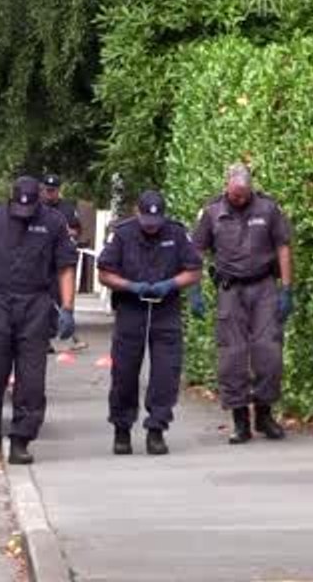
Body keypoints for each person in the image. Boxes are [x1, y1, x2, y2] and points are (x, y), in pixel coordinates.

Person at [0, 176, 77, 465]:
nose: (24, 214)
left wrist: (68, 308)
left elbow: (66, 267)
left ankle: (21, 440)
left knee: (31, 380)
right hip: (0, 302)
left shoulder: (53, 222)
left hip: (36, 303)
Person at [191, 163, 294, 444]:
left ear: (251, 189)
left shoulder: (268, 209)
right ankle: (240, 420)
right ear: (227, 185)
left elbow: (283, 246)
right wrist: (194, 289)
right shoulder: (212, 212)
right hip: (230, 290)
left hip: (264, 287)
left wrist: (287, 288)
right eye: (235, 194)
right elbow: (196, 250)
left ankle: (264, 414)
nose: (239, 199)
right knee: (232, 355)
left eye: (244, 195)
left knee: (269, 353)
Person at [96, 190, 202, 455]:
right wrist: (130, 286)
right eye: (147, 221)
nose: (152, 227)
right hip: (131, 309)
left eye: (156, 222)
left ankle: (157, 429)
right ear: (137, 212)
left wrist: (171, 284)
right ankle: (122, 429)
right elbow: (104, 273)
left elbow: (193, 270)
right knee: (124, 373)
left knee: (166, 373)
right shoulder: (122, 234)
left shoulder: (177, 233)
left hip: (166, 310)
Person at [40, 174, 85, 353]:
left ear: (58, 190)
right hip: (42, 259)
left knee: (59, 297)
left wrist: (64, 231)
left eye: (53, 190)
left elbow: (77, 231)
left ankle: (57, 331)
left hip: (61, 258)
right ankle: (43, 338)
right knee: (42, 298)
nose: (49, 193)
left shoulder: (67, 208)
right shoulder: (36, 207)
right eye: (47, 190)